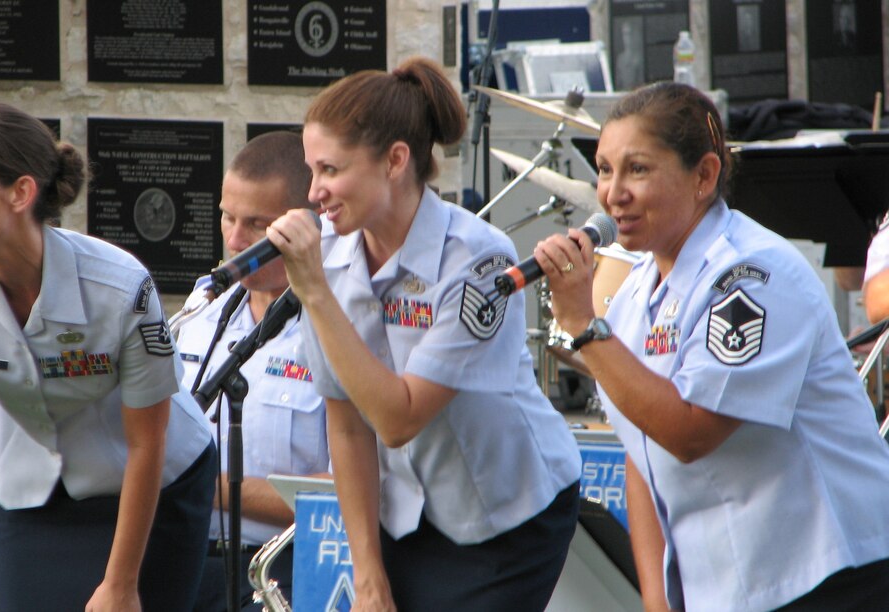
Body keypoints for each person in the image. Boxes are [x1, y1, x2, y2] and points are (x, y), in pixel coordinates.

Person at [537, 82, 889, 611]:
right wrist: (655, 601)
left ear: (704, 175)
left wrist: (585, 325)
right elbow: (642, 451)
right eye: (605, 170)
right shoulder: (635, 292)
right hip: (729, 587)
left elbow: (690, 433)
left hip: (826, 574)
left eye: (637, 169)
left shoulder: (753, 275)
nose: (612, 194)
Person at [266, 57, 583, 611]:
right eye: (310, 170)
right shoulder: (334, 259)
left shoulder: (478, 258)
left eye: (330, 170)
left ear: (394, 160)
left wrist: (314, 292)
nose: (313, 191)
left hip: (504, 515)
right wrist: (367, 576)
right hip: (405, 514)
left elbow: (395, 419)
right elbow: (346, 426)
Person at [0, 103, 216, 611]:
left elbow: (148, 441)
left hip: (148, 487)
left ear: (20, 192)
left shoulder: (120, 285)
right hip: (24, 481)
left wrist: (121, 585)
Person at [175, 131, 331, 611]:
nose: (235, 239)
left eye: (256, 225)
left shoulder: (335, 328)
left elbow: (348, 493)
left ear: (307, 223)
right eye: (227, 216)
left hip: (280, 572)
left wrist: (203, 486)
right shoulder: (202, 310)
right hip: (182, 561)